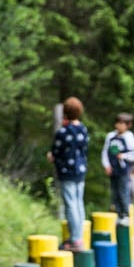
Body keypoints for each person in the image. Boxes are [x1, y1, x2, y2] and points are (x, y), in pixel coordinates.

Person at [47, 97, 89, 251]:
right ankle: (79, 237)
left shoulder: (63, 132)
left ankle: (75, 240)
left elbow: (56, 152)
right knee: (78, 203)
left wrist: (52, 156)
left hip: (67, 172)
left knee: (70, 205)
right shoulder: (83, 129)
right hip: (81, 171)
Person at [101, 112, 134, 225]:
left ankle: (125, 215)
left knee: (124, 192)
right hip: (113, 169)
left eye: (122, 123)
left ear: (128, 125)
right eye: (118, 122)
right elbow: (105, 152)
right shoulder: (110, 136)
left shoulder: (130, 137)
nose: (119, 125)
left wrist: (125, 156)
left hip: (124, 170)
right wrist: (106, 165)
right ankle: (116, 213)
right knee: (114, 192)